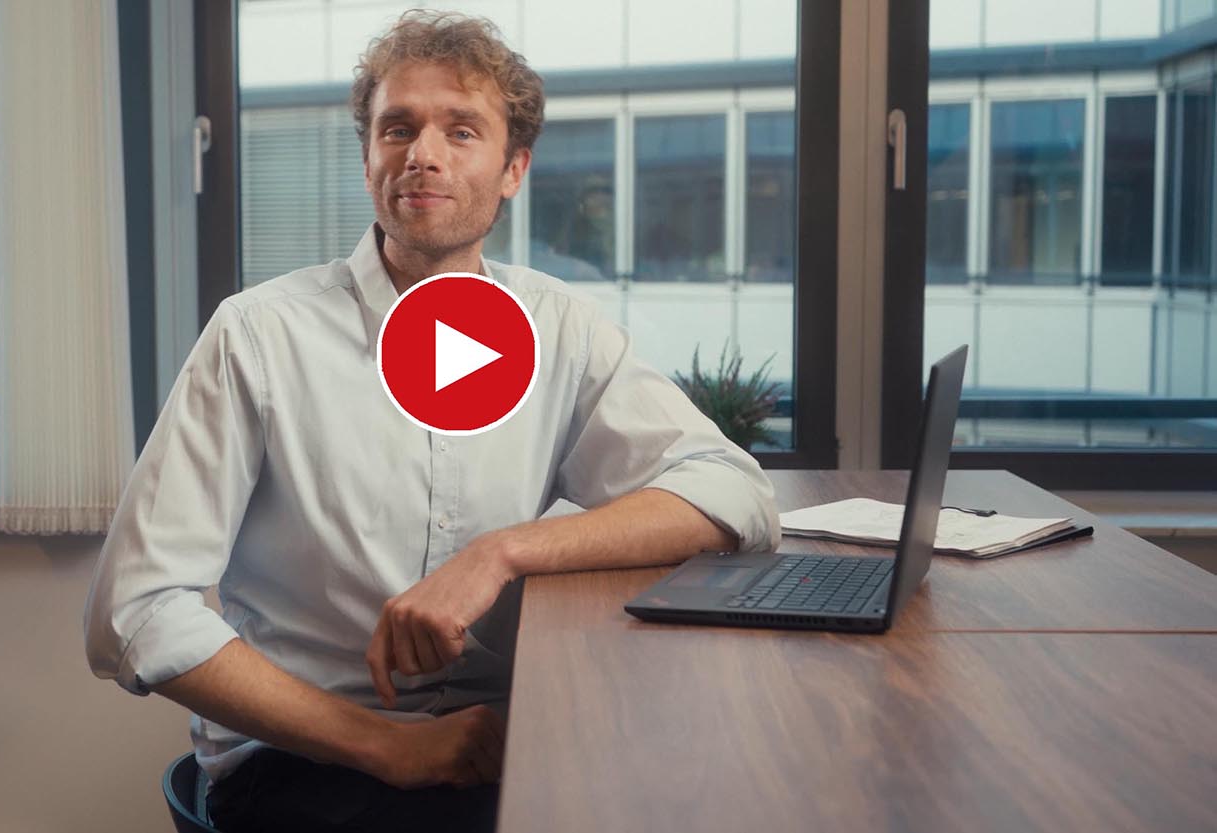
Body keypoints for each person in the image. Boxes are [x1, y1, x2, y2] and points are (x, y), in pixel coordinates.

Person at [83, 10, 781, 833]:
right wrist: (386, 743)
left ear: (513, 167)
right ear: (368, 156)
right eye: (397, 127)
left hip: (502, 740)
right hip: (306, 760)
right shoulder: (257, 335)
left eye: (461, 130)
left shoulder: (558, 329)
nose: (423, 152)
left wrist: (501, 551)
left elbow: (734, 493)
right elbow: (131, 610)